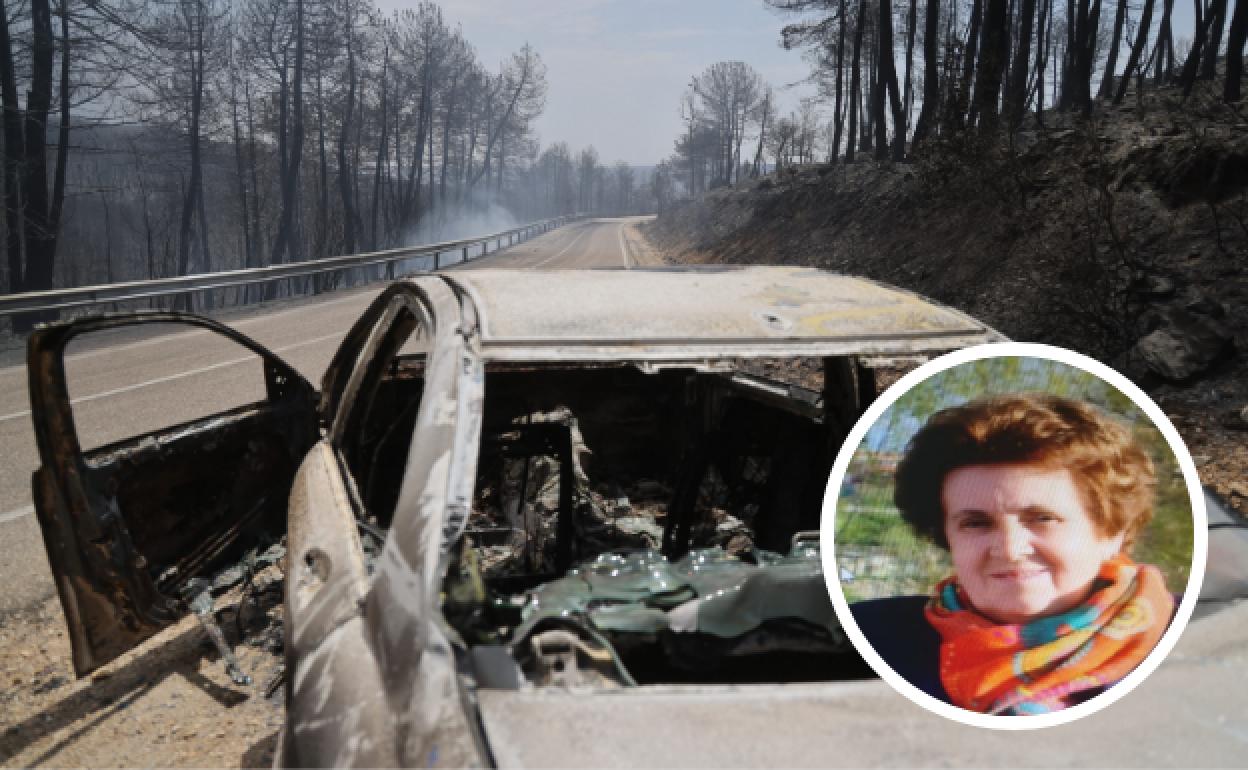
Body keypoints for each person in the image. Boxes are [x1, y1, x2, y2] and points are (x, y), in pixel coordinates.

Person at [850, 393, 1175, 716]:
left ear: (1111, 533)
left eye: (1043, 519)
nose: (1009, 548)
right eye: (976, 523)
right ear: (946, 536)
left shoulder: (1195, 637)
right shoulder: (870, 640)